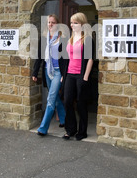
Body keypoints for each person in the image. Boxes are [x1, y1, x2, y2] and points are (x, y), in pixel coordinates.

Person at [31, 14, 67, 136]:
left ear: (58, 23)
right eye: (49, 22)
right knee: (55, 97)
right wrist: (35, 72)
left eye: (53, 22)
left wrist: (64, 74)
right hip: (48, 71)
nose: (51, 24)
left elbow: (66, 59)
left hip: (58, 72)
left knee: (50, 99)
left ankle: (43, 128)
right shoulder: (44, 38)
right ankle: (64, 119)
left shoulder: (63, 37)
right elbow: (39, 56)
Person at [62, 12, 95, 141]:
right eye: (71, 22)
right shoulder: (70, 38)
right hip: (70, 74)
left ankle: (82, 132)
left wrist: (85, 77)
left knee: (81, 105)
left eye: (75, 23)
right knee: (67, 102)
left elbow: (90, 59)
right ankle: (70, 129)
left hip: (81, 75)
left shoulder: (87, 39)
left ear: (82, 24)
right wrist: (63, 75)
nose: (72, 25)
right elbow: (67, 58)